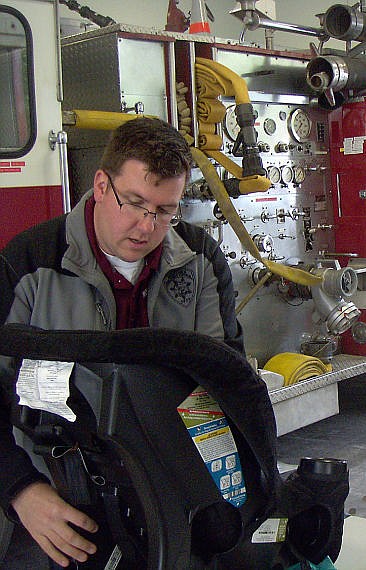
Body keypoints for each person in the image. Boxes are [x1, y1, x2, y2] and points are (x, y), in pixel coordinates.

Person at [0, 117, 242, 568]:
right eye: (134, 203)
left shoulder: (201, 260)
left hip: (171, 477)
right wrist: (20, 491)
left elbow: (226, 378)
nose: (147, 226)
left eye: (166, 211)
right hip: (55, 494)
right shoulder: (29, 264)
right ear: (100, 185)